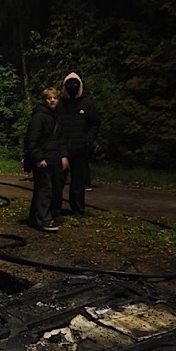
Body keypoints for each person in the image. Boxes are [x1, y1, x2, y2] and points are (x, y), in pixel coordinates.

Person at [58, 71, 101, 216]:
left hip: (80, 150)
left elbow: (95, 123)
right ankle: (55, 208)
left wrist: (87, 140)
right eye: (69, 85)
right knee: (58, 181)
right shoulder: (60, 105)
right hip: (62, 149)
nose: (72, 87)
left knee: (78, 182)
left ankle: (77, 209)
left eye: (75, 85)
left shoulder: (87, 104)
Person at [25, 88, 63, 232]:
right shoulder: (39, 117)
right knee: (44, 190)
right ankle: (43, 220)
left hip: (53, 158)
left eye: (54, 98)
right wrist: (39, 158)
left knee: (48, 190)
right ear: (44, 100)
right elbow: (32, 140)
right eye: (49, 98)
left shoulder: (56, 116)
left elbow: (60, 139)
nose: (52, 100)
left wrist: (62, 155)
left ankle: (36, 218)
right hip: (43, 160)